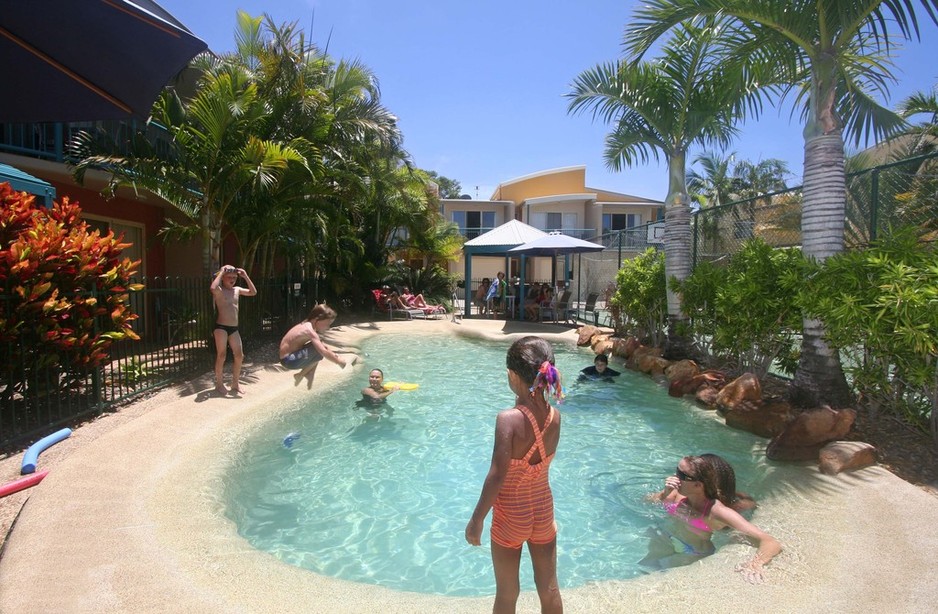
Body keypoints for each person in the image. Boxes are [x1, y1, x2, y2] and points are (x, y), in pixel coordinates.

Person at [466, 336, 564, 614]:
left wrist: (477, 519)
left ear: (511, 374)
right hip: (543, 511)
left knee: (507, 594)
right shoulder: (555, 417)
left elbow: (497, 474)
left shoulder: (508, 418)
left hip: (512, 515)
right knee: (549, 587)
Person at [642, 453, 781, 583]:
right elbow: (646, 501)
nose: (675, 477)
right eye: (676, 471)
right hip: (665, 539)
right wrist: (664, 494)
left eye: (681, 475)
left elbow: (770, 541)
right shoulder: (675, 492)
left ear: (698, 485)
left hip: (690, 553)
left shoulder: (716, 511)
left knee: (654, 583)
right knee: (642, 570)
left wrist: (755, 564)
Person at [279, 304, 355, 390]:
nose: (328, 327)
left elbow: (322, 347)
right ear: (317, 320)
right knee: (319, 350)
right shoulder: (309, 330)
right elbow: (323, 351)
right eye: (327, 324)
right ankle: (304, 374)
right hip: (289, 361)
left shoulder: (307, 324)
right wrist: (339, 362)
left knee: (318, 346)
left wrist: (334, 355)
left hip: (291, 357)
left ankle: (306, 375)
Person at [210, 264, 257, 395]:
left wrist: (245, 276)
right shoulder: (219, 290)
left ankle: (235, 383)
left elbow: (253, 292)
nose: (232, 279)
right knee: (222, 355)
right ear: (223, 278)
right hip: (221, 327)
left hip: (233, 328)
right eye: (229, 277)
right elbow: (212, 287)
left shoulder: (237, 290)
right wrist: (221, 272)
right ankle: (219, 384)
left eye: (234, 277)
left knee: (239, 355)